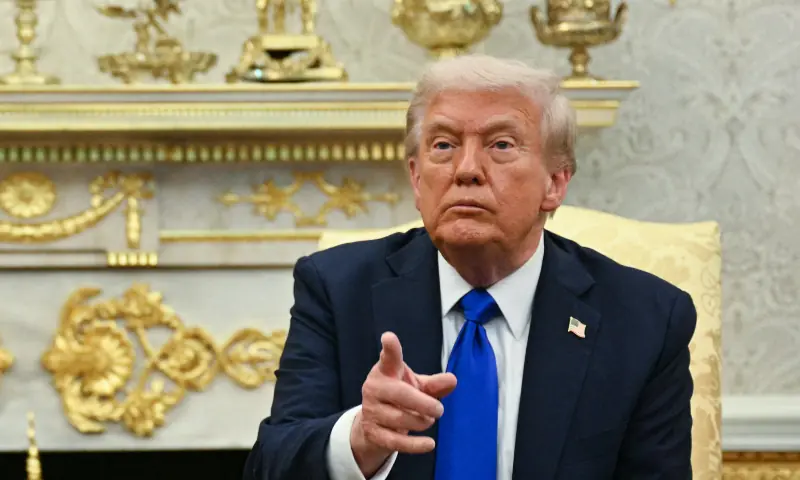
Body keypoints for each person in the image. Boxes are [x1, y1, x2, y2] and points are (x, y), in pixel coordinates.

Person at [242, 54, 696, 480]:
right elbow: (271, 463)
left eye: (500, 144)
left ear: (555, 183)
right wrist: (360, 438)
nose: (466, 170)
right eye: (444, 145)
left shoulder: (645, 320)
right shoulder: (338, 289)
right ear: (417, 179)